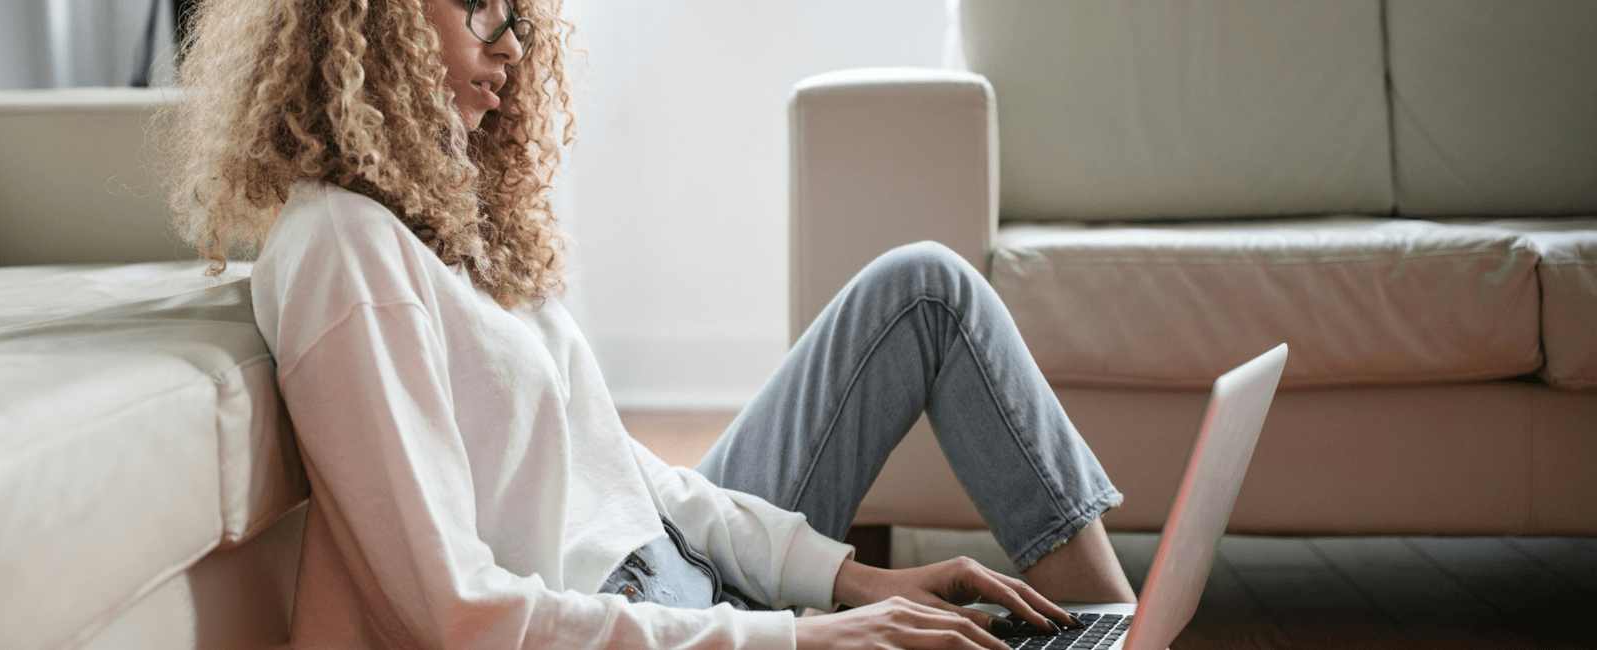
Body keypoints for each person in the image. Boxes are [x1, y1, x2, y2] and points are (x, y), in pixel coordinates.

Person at [163, 0, 1138, 647]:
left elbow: (630, 476)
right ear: (366, 19)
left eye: (514, 19)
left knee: (926, 289)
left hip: (681, 571)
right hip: (628, 618)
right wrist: (797, 634)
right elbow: (455, 613)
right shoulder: (343, 248)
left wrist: (842, 577)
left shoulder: (456, 222)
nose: (505, 46)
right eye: (473, 9)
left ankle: (1110, 621)